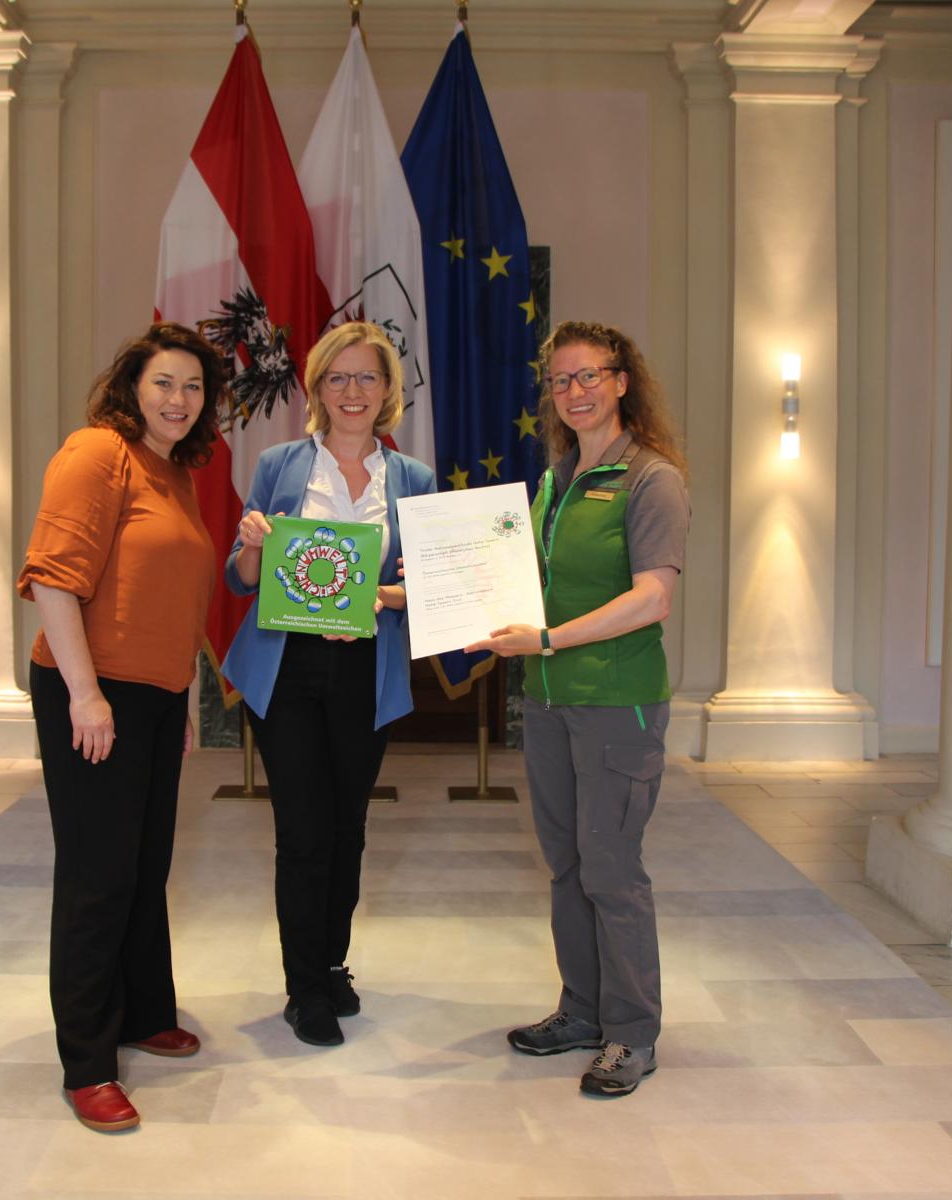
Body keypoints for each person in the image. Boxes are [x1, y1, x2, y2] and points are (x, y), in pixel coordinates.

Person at [467, 319, 690, 1098]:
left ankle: (631, 1034)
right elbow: (515, 580)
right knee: (566, 865)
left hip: (615, 704)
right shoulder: (557, 480)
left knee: (612, 869)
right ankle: (582, 1009)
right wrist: (415, 596)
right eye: (561, 381)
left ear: (622, 380)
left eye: (590, 375)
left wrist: (549, 638)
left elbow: (652, 597)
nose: (576, 391)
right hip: (551, 702)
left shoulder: (650, 478)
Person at [16, 322, 227, 1133]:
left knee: (145, 863)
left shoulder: (171, 472)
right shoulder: (95, 452)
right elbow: (54, 582)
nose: (179, 399)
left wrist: (171, 701)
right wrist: (86, 695)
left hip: (152, 696)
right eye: (165, 383)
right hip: (91, 688)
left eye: (194, 387)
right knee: (99, 875)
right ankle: (88, 1062)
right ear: (132, 387)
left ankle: (142, 1012)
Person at [222, 321, 437, 1047]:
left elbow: (427, 593)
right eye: (338, 378)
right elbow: (242, 579)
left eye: (367, 378)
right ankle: (304, 987)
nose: (352, 392)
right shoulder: (282, 466)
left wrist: (385, 596)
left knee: (349, 830)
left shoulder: (414, 481)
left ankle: (332, 961)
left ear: (388, 393)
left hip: (366, 673)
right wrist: (253, 546)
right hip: (286, 669)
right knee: (305, 833)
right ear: (316, 389)